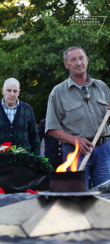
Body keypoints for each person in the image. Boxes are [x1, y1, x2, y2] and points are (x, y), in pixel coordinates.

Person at [46, 46, 110, 188]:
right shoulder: (58, 92)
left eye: (81, 58)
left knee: (106, 197)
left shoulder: (102, 87)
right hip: (75, 153)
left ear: (86, 60)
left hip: (104, 151)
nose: (78, 62)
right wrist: (76, 140)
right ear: (66, 64)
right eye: (73, 60)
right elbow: (51, 128)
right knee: (77, 198)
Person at [0, 78, 40, 155]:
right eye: (9, 90)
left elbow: (34, 137)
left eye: (15, 91)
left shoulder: (27, 109)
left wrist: (37, 160)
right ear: (3, 91)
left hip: (23, 159)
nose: (12, 94)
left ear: (19, 92)